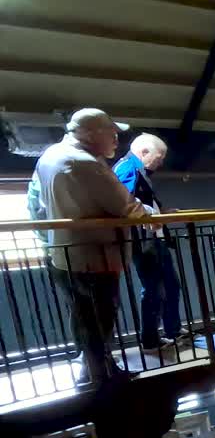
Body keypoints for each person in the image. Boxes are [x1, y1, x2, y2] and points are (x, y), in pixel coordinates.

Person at [35, 108, 151, 385]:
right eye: (111, 131)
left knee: (85, 318)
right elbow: (127, 207)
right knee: (101, 318)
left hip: (63, 255)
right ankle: (100, 377)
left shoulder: (50, 156)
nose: (116, 138)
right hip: (94, 256)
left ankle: (96, 371)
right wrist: (149, 214)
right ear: (90, 133)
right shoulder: (84, 162)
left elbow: (39, 208)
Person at [114, 133, 188, 354]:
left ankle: (172, 331)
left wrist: (162, 212)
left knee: (170, 285)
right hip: (143, 240)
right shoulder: (128, 168)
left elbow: (138, 201)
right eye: (159, 156)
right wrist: (152, 216)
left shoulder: (137, 170)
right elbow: (123, 201)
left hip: (151, 238)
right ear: (144, 152)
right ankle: (150, 340)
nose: (162, 161)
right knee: (155, 289)